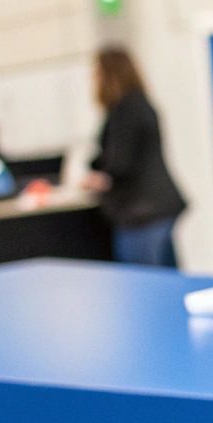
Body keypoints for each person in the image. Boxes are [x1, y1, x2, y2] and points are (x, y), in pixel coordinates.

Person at [79, 45, 187, 268]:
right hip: (157, 207)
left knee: (144, 287)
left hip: (141, 212)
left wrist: (97, 179)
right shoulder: (140, 104)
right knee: (167, 283)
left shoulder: (125, 110)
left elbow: (120, 165)